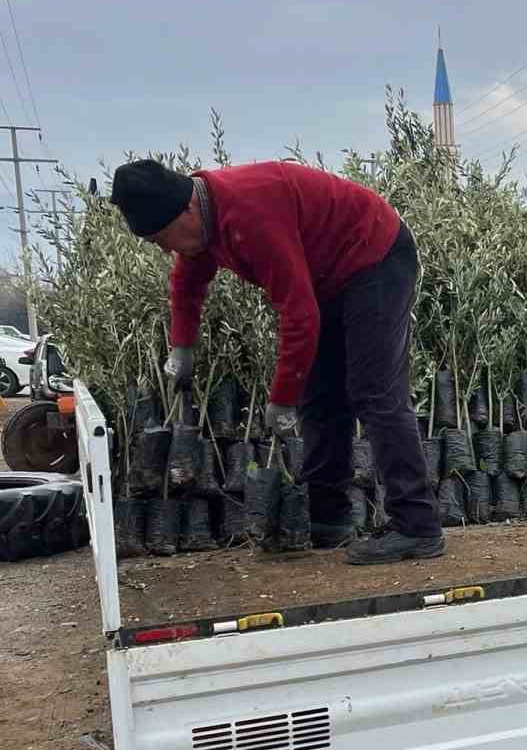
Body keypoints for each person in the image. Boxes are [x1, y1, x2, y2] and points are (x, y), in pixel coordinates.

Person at [110, 158, 444, 566]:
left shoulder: (249, 214)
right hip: (330, 274)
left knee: (374, 391)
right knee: (321, 397)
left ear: (186, 210)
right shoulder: (201, 219)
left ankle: (417, 525)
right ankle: (330, 517)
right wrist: (182, 346)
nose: (166, 249)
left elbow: (299, 313)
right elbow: (187, 281)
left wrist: (281, 398)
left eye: (163, 238)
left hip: (374, 254)